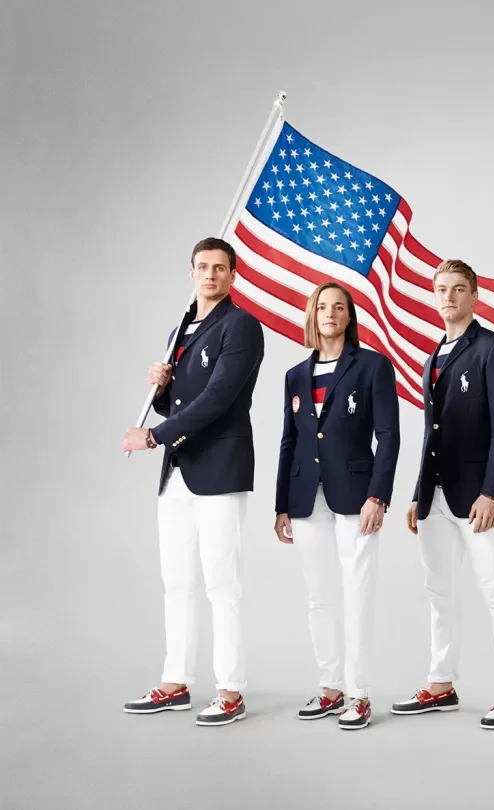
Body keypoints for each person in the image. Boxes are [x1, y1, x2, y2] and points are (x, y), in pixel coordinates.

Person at [122, 237, 265, 727]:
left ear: (232, 276)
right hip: (178, 474)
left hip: (219, 468)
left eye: (220, 268)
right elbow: (179, 404)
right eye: (202, 267)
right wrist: (161, 389)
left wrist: (154, 436)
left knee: (221, 582)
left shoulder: (241, 326)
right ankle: (175, 682)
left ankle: (231, 690)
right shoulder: (179, 329)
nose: (210, 276)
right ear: (191, 272)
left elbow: (219, 398)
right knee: (176, 581)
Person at [392, 259, 494, 730]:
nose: (448, 297)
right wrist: (416, 493)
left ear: (474, 296)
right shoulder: (434, 356)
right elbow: (432, 433)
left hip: (479, 499)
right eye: (441, 289)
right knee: (439, 594)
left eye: (458, 289)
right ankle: (440, 684)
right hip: (435, 497)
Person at [274, 282, 400, 730]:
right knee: (319, 597)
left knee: (357, 593)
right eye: (322, 307)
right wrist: (281, 505)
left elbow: (388, 435)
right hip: (306, 497)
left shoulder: (372, 367)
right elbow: (289, 442)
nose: (330, 313)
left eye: (338, 307)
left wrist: (378, 495)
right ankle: (330, 687)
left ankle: (359, 693)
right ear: (313, 316)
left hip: (356, 495)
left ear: (349, 317)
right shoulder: (294, 375)